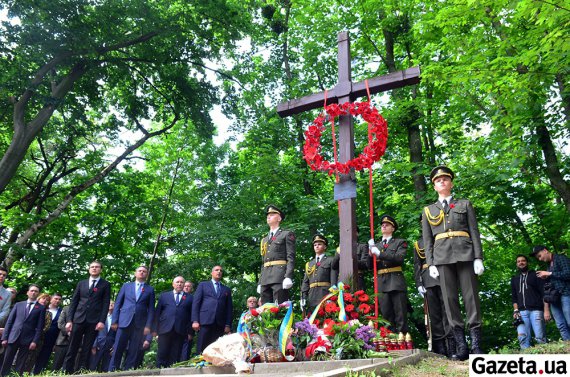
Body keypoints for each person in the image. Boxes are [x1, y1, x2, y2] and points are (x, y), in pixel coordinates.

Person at [422, 166, 484, 360]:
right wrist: (430, 263)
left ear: (451, 183)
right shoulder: (428, 210)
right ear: (434, 186)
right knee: (449, 301)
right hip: (442, 258)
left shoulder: (464, 204)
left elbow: (474, 232)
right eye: (437, 180)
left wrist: (478, 257)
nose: (441, 182)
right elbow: (427, 240)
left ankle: (476, 345)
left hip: (465, 254)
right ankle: (461, 346)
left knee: (471, 298)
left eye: (445, 179)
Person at [63, 260, 111, 373]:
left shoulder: (105, 284)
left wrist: (101, 321)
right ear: (89, 269)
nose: (94, 268)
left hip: (94, 321)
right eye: (92, 267)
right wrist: (69, 320)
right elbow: (74, 302)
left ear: (101, 270)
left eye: (97, 267)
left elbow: (105, 304)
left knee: (87, 347)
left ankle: (81, 371)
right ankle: (66, 371)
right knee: (72, 346)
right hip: (78, 319)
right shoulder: (81, 283)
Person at [109, 265, 155, 371]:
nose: (142, 272)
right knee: (118, 347)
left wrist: (148, 326)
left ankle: (128, 371)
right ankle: (112, 370)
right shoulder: (126, 286)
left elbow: (151, 310)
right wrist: (114, 321)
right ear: (135, 273)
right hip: (124, 322)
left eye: (144, 271)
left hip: (139, 324)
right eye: (140, 271)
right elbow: (118, 304)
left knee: (134, 349)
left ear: (147, 274)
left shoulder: (150, 289)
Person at [413, 232, 452, 357]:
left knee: (448, 312)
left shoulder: (441, 236)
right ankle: (440, 348)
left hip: (443, 276)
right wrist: (419, 283)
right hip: (427, 279)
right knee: (434, 315)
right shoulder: (418, 244)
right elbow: (417, 265)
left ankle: (452, 346)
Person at [368, 215, 408, 334]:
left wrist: (379, 254)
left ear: (393, 228)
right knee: (386, 315)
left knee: (400, 313)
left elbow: (398, 258)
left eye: (387, 225)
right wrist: (370, 253)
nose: (384, 226)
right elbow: (370, 266)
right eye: (382, 225)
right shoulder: (376, 245)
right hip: (382, 282)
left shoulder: (400, 242)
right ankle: (390, 340)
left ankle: (403, 341)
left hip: (395, 281)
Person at [0, 284, 46, 376]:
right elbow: (9, 322)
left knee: (21, 363)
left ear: (38, 294)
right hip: (13, 337)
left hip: (27, 339)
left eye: (36, 291)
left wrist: (34, 341)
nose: (33, 292)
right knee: (7, 360)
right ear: (27, 292)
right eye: (32, 290)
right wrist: (4, 337)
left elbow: (40, 327)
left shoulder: (41, 308)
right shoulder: (18, 305)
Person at [258, 205, 295, 304]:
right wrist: (260, 282)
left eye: (272, 214)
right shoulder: (264, 239)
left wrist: (288, 276)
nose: (269, 216)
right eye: (268, 215)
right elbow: (263, 262)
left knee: (279, 309)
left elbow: (290, 257)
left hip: (279, 276)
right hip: (265, 278)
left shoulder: (286, 234)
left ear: (279, 218)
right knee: (265, 311)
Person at [531, 245, 570, 341]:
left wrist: (549, 274)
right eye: (538, 258)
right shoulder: (549, 265)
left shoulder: (561, 258)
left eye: (540, 256)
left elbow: (568, 274)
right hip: (554, 298)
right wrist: (547, 277)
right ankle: (568, 345)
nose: (540, 259)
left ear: (545, 250)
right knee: (560, 324)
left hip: (566, 294)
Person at [192, 266, 233, 354]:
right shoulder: (203, 285)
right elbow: (196, 303)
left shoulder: (226, 289)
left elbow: (229, 308)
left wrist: (227, 324)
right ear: (212, 273)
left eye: (221, 270)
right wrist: (195, 320)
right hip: (205, 321)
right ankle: (199, 364)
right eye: (216, 270)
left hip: (219, 324)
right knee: (201, 346)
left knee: (216, 348)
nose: (219, 272)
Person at [154, 276, 193, 368]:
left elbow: (192, 316)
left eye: (181, 282)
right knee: (162, 353)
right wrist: (155, 330)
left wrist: (190, 331)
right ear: (173, 284)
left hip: (180, 330)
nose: (179, 284)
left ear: (184, 284)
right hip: (164, 329)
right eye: (177, 282)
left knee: (175, 355)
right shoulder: (164, 296)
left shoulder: (190, 298)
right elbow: (157, 313)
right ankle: (159, 372)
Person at [510, 254, 547, 349]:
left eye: (523, 261)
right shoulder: (514, 279)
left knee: (540, 338)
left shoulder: (536, 275)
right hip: (521, 313)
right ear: (516, 264)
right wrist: (516, 310)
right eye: (518, 261)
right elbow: (514, 297)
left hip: (536, 310)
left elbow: (544, 294)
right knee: (522, 338)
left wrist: (546, 311)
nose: (521, 263)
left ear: (527, 262)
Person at [301, 234, 338, 313]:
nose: (317, 246)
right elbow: (305, 282)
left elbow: (333, 279)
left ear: (325, 247)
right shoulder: (309, 264)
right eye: (315, 245)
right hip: (311, 296)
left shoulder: (330, 260)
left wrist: (332, 296)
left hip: (325, 294)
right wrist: (303, 297)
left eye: (319, 244)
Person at [33, 292, 63, 374]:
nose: (57, 301)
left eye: (59, 299)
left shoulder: (62, 312)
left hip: (51, 340)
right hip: (37, 337)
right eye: (55, 298)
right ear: (51, 299)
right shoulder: (43, 308)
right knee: (32, 357)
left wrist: (56, 343)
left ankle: (37, 374)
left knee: (43, 359)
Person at [23, 293, 52, 373]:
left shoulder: (48, 314)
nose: (45, 301)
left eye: (47, 300)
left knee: (30, 360)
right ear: (39, 298)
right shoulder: (30, 308)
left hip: (38, 339)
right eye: (43, 298)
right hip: (24, 336)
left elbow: (46, 327)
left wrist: (36, 334)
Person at [89, 301, 116, 372]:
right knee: (93, 366)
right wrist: (94, 345)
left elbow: (117, 334)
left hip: (110, 346)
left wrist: (114, 346)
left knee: (106, 368)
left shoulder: (116, 319)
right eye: (109, 303)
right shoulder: (100, 317)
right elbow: (94, 332)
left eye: (113, 304)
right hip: (98, 345)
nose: (111, 305)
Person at [51, 306, 71, 371]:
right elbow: (60, 323)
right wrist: (68, 333)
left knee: (70, 368)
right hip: (63, 341)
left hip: (78, 344)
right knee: (56, 366)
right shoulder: (66, 308)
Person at [180, 280, 195, 361]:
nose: (186, 287)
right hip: (177, 328)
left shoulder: (193, 299)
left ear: (191, 289)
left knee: (185, 350)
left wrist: (190, 332)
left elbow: (193, 316)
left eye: (188, 286)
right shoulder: (178, 297)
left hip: (188, 329)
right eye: (185, 286)